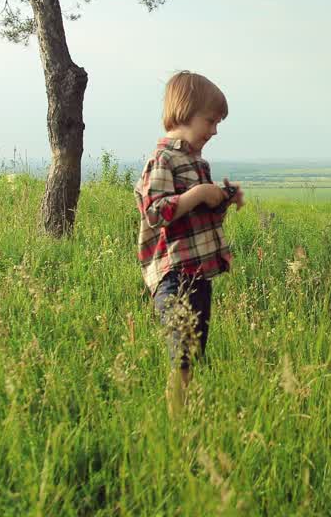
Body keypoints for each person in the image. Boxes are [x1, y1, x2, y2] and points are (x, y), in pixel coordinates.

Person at [135, 71, 244, 409]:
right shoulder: (163, 159)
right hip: (174, 276)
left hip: (199, 274)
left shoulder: (198, 162)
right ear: (184, 112)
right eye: (210, 121)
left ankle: (186, 414)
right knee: (181, 356)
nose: (214, 130)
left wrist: (223, 198)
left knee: (194, 353)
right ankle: (176, 423)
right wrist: (198, 193)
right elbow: (154, 212)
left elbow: (203, 216)